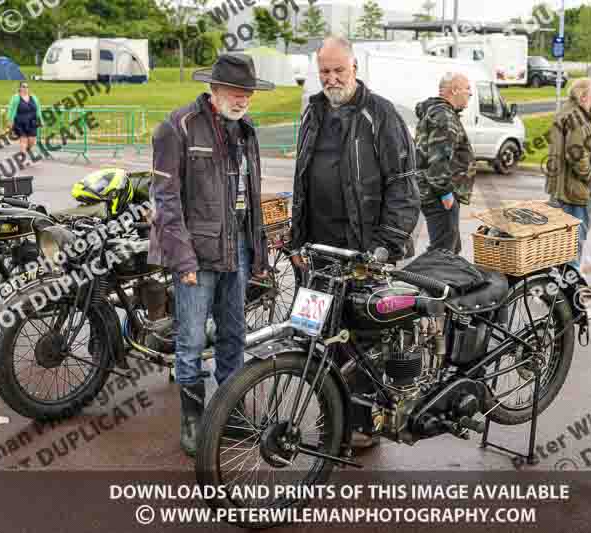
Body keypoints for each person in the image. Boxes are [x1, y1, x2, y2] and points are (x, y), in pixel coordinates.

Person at [289, 36, 421, 448]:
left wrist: (388, 243)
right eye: (324, 71)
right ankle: (333, 418)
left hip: (365, 252)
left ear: (354, 68)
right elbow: (302, 180)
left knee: (361, 342)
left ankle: (361, 426)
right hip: (318, 254)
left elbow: (403, 185)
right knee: (315, 338)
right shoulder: (313, 113)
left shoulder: (380, 115)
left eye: (338, 70)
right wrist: (297, 242)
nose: (331, 79)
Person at [148, 54, 273, 457]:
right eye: (236, 92)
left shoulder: (247, 131)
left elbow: (251, 200)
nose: (242, 100)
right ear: (214, 90)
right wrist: (182, 260)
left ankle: (229, 412)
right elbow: (165, 199)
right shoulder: (177, 126)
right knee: (189, 341)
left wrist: (259, 255)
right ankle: (193, 420)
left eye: (248, 93)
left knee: (234, 336)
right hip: (196, 254)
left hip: (236, 246)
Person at [414, 72, 476, 255]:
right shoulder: (444, 116)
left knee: (450, 248)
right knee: (443, 252)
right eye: (467, 89)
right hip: (439, 196)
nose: (470, 93)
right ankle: (427, 281)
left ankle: (440, 281)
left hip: (435, 193)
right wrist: (446, 193)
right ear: (454, 90)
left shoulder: (439, 112)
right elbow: (438, 160)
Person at [544, 77, 591, 270]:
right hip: (573, 190)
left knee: (562, 240)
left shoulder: (565, 111)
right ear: (584, 96)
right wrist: (590, 176)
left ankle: (557, 284)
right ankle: (572, 286)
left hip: (561, 188)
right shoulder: (577, 118)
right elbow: (575, 154)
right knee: (574, 240)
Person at [7, 82, 43, 163]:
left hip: (32, 122)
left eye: (27, 87)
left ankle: (26, 149)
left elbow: (38, 109)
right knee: (23, 140)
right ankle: (22, 159)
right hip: (20, 122)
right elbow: (11, 109)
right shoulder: (15, 98)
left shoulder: (34, 97)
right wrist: (10, 120)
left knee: (32, 141)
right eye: (23, 86)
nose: (25, 88)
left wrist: (40, 120)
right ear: (20, 88)